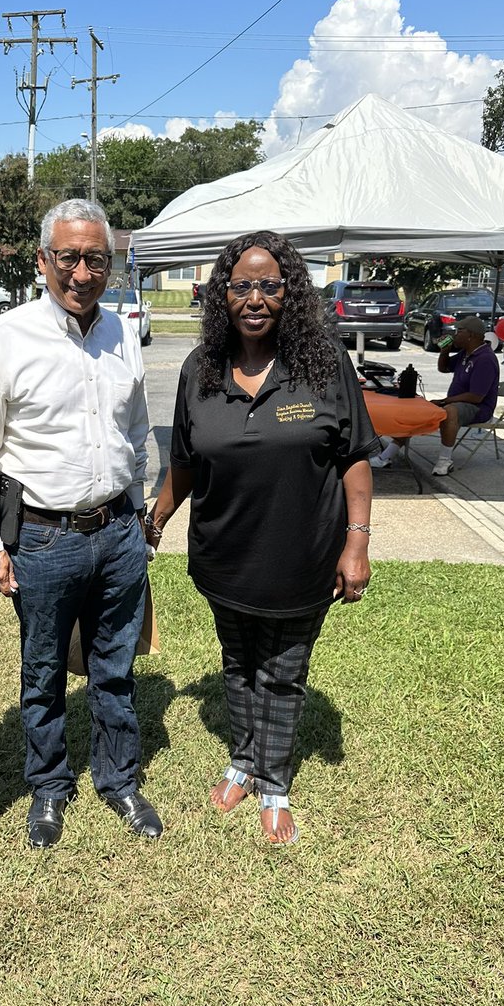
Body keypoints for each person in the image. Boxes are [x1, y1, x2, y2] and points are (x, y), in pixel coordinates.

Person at [144, 231, 378, 844]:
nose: (254, 297)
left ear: (289, 293)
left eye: (269, 285)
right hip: (225, 556)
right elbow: (186, 462)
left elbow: (354, 455)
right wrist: (157, 517)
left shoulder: (323, 363)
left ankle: (273, 782)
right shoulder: (201, 370)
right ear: (223, 295)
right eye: (241, 285)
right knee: (239, 662)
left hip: (302, 556)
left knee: (282, 670)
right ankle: (243, 760)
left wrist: (357, 541)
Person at [0, 198, 162, 849]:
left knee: (114, 667)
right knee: (43, 671)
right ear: (44, 259)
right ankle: (49, 788)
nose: (82, 271)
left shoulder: (122, 333)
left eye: (95, 259)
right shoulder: (3, 337)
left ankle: (119, 780)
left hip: (119, 533)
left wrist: (138, 511)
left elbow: (133, 429)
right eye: (69, 257)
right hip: (43, 540)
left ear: (112, 263)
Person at [370, 315, 499, 476]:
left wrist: (445, 401)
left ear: (471, 335)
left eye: (459, 331)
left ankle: (445, 461)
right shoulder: (466, 353)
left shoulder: (485, 359)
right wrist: (444, 350)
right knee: (420, 411)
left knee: (450, 412)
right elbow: (443, 368)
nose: (455, 334)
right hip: (457, 402)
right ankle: (385, 456)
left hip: (478, 408)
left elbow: (476, 397)